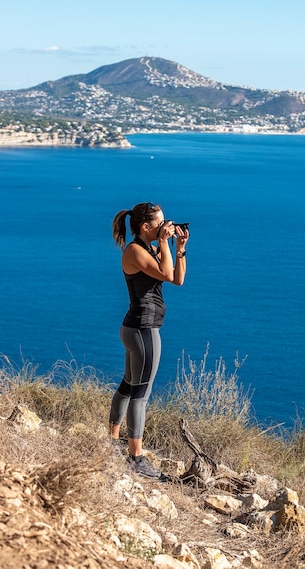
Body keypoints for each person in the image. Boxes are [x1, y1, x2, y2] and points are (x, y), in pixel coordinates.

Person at [109, 201, 189, 479]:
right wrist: (165, 245)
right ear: (146, 227)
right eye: (161, 223)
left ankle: (111, 443)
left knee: (129, 387)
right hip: (143, 330)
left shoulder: (149, 249)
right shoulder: (134, 251)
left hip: (136, 328)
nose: (165, 226)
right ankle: (136, 458)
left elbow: (177, 279)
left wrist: (179, 248)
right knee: (140, 396)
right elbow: (166, 274)